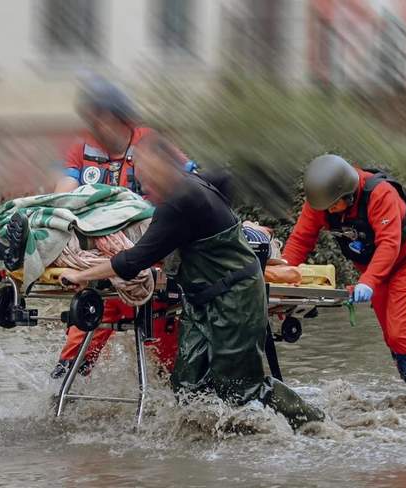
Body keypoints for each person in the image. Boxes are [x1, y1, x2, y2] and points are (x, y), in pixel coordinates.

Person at [58, 133, 325, 429]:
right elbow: (226, 178)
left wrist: (80, 275)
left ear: (167, 167)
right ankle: (209, 437)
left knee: (241, 388)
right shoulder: (197, 185)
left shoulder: (179, 202)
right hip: (200, 301)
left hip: (236, 298)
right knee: (186, 385)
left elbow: (133, 261)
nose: (142, 183)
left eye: (147, 174)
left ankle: (315, 423)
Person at [51, 76, 195, 378]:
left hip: (148, 255)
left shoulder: (150, 143)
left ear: (116, 115)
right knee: (80, 343)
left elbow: (189, 185)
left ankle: (182, 395)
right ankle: (64, 387)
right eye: (90, 117)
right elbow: (63, 195)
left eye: (98, 116)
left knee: (170, 356)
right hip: (101, 262)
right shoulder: (82, 149)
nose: (94, 124)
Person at [282, 154, 406, 397]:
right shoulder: (322, 200)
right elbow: (300, 241)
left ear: (348, 194)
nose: (328, 211)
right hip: (374, 266)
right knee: (390, 336)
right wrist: (281, 276)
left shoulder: (380, 195)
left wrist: (368, 282)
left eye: (333, 206)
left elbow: (389, 244)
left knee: (400, 333)